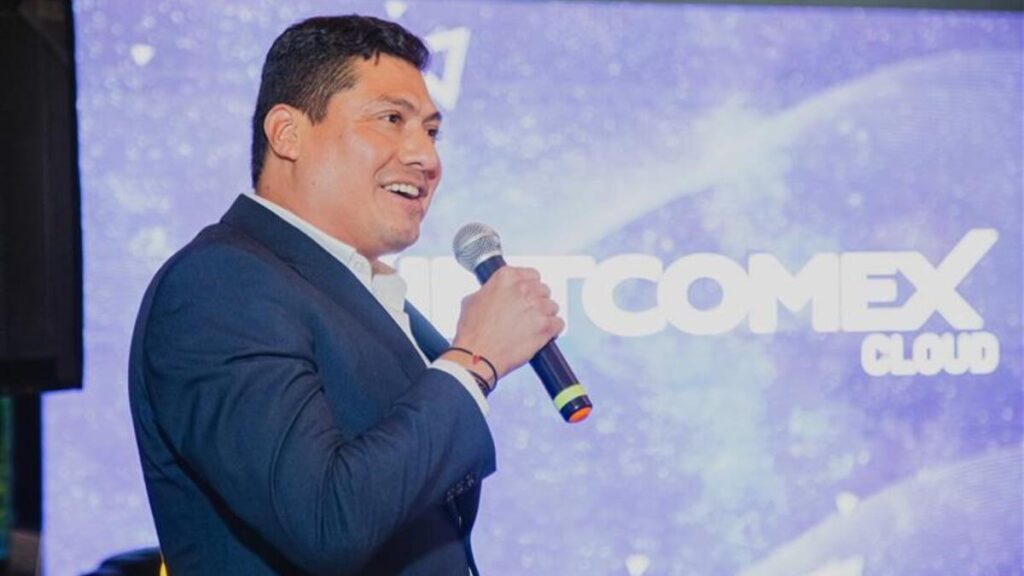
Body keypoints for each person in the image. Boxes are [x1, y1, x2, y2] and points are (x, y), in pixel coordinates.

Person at [128, 15, 563, 575]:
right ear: (287, 133)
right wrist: (474, 361)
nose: (426, 158)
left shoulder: (361, 292)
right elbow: (325, 520)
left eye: (431, 132)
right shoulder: (219, 285)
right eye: (391, 120)